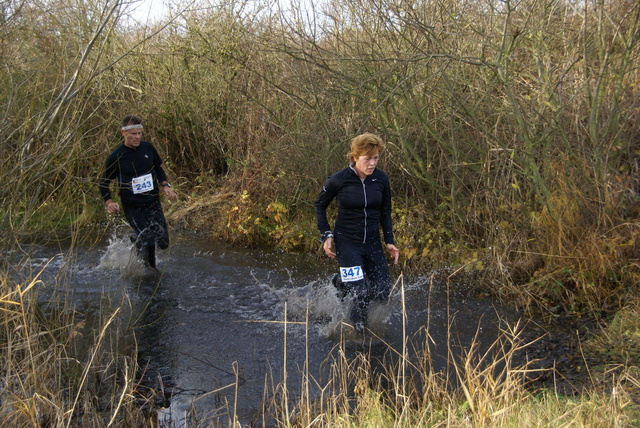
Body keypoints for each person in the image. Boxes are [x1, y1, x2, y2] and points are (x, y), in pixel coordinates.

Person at [315, 133, 400, 332]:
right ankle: (359, 335)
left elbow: (385, 211)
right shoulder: (338, 180)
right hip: (347, 243)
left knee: (383, 291)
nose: (372, 163)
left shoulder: (381, 179)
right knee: (360, 293)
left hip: (372, 242)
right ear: (355, 157)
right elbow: (320, 205)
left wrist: (389, 241)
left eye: (376, 158)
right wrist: (326, 235)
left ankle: (342, 283)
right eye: (367, 159)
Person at [99, 114, 177, 269]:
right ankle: (151, 272)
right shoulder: (116, 156)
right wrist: (109, 202)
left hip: (152, 202)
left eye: (139, 133)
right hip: (132, 206)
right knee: (149, 241)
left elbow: (158, 168)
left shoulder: (147, 148)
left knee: (163, 242)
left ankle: (137, 239)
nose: (137, 137)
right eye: (133, 134)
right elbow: (103, 182)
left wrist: (165, 185)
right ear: (123, 133)